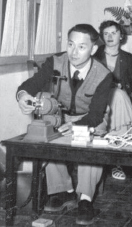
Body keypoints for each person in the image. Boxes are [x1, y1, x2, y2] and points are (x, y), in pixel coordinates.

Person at [17, 24, 112, 225]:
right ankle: (64, 191)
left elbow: (96, 114)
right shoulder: (55, 62)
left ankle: (85, 199)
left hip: (91, 118)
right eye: (70, 44)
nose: (74, 52)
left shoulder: (103, 75)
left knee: (88, 142)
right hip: (61, 116)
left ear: (93, 49)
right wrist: (23, 96)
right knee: (47, 134)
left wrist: (77, 126)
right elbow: (31, 85)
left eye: (81, 47)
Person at [95, 20, 132, 180]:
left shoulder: (128, 59)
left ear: (121, 36)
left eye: (114, 32)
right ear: (102, 37)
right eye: (106, 33)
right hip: (99, 101)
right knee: (117, 94)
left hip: (122, 102)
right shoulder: (95, 57)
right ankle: (112, 159)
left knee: (120, 96)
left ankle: (116, 161)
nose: (110, 36)